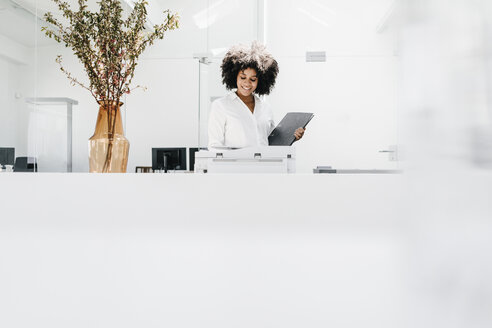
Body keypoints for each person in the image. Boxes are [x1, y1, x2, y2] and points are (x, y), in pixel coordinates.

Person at [208, 41, 305, 149]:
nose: (247, 83)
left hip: (265, 164)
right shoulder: (221, 106)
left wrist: (292, 137)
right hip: (236, 165)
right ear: (234, 76)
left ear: (261, 80)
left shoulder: (265, 108)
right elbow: (215, 146)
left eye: (253, 79)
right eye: (243, 77)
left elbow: (273, 143)